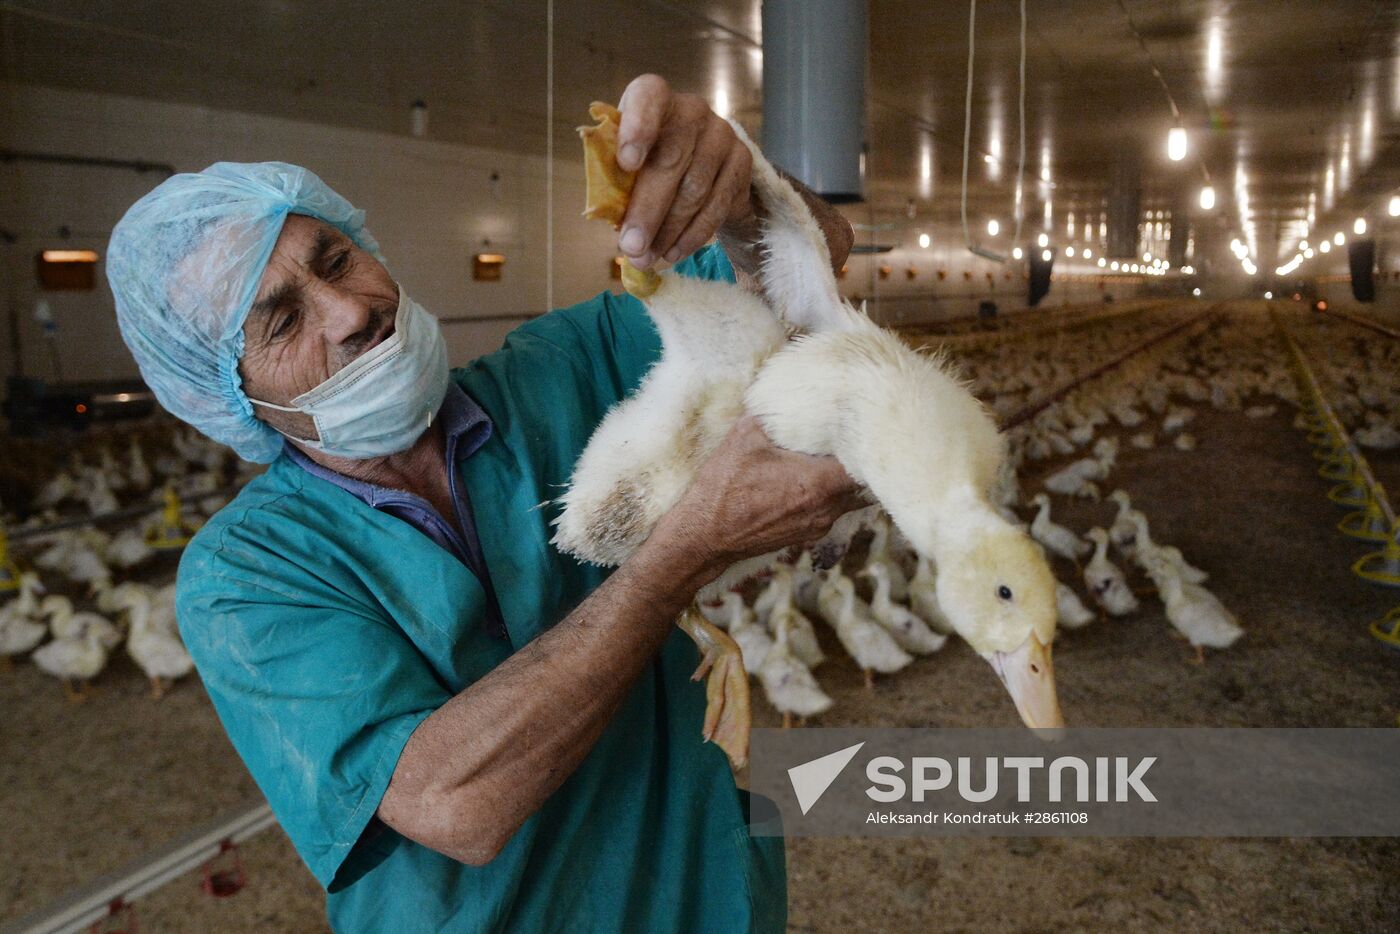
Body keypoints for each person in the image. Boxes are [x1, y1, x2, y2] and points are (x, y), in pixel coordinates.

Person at [106, 75, 857, 932]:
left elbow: (811, 261)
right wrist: (684, 553)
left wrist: (740, 185)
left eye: (337, 261)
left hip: (701, 896)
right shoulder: (247, 574)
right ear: (228, 398)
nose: (351, 310)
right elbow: (454, 804)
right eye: (282, 322)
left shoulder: (563, 367)